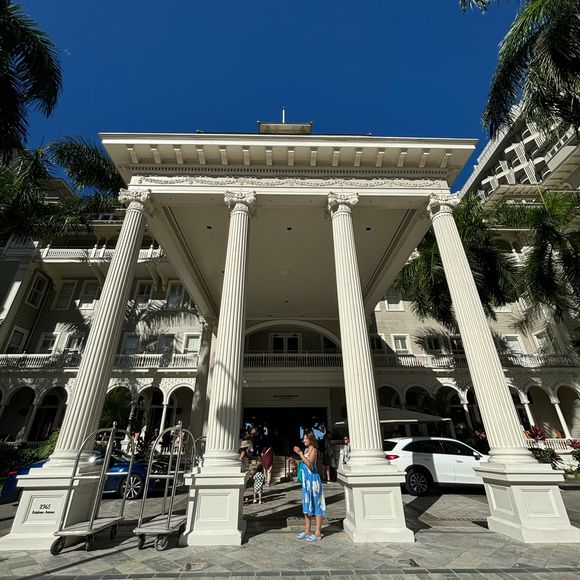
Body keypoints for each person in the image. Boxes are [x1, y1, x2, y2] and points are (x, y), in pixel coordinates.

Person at [294, 431, 326, 542]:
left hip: (314, 481)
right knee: (307, 504)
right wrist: (296, 461)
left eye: (305, 438)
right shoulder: (306, 450)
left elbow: (309, 464)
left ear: (311, 439)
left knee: (317, 505)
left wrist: (300, 453)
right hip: (306, 481)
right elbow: (304, 462)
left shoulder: (314, 450)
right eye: (304, 438)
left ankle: (318, 532)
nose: (304, 440)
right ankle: (307, 530)